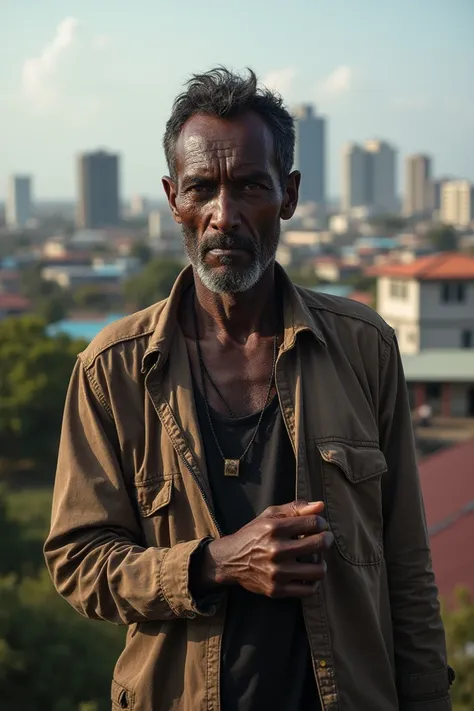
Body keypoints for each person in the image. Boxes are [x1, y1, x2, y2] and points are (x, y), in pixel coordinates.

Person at [45, 68, 454, 711]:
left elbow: (405, 565)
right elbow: (77, 563)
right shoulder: (112, 371)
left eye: (250, 187)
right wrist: (214, 562)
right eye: (201, 188)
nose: (223, 216)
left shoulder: (363, 348)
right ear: (172, 198)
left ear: (288, 195)